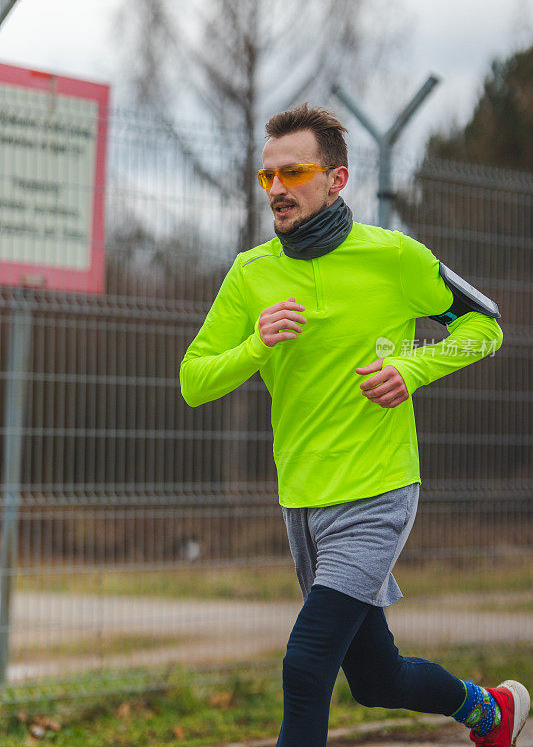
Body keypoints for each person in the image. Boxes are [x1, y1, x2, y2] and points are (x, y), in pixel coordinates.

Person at [179, 103, 529, 747]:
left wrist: (415, 367)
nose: (277, 190)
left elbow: (486, 324)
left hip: (378, 489)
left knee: (306, 664)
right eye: (268, 178)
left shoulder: (395, 257)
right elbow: (194, 380)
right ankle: (490, 712)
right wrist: (256, 345)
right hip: (304, 499)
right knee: (375, 678)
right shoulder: (250, 274)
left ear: (337, 179)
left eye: (294, 173)